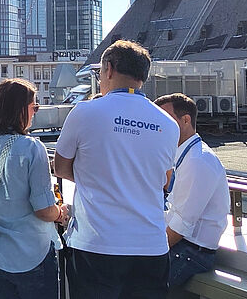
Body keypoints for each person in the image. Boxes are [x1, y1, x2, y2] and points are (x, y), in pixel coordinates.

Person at [54, 40, 179, 298]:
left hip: (97, 245)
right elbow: (164, 180)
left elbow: (60, 167)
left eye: (99, 73)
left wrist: (101, 176)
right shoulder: (168, 123)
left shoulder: (85, 112)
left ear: (108, 69)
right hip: (151, 247)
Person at [0, 79, 67, 298]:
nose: (35, 113)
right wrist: (60, 213)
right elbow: (43, 209)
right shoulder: (32, 148)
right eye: (34, 107)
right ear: (22, 109)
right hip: (32, 252)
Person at [154, 93, 229, 288]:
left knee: (138, 287)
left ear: (185, 120)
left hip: (191, 252)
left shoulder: (198, 161)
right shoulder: (185, 155)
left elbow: (181, 224)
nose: (158, 126)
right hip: (183, 246)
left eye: (164, 119)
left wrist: (150, 251)